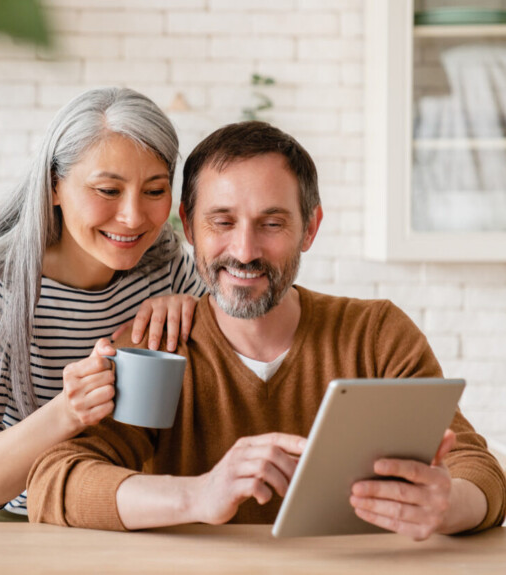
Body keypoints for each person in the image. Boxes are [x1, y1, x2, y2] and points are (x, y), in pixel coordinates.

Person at [27, 121, 506, 539]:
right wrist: (199, 495)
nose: (245, 249)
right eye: (222, 221)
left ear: (310, 229)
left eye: (271, 223)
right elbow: (55, 483)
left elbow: (479, 471)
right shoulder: (156, 345)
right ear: (189, 229)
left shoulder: (375, 334)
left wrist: (449, 505)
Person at [0, 87, 205, 521]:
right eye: (107, 190)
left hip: (110, 515)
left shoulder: (166, 268)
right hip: (5, 521)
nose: (134, 216)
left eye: (155, 191)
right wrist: (68, 411)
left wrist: (197, 312)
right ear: (53, 187)